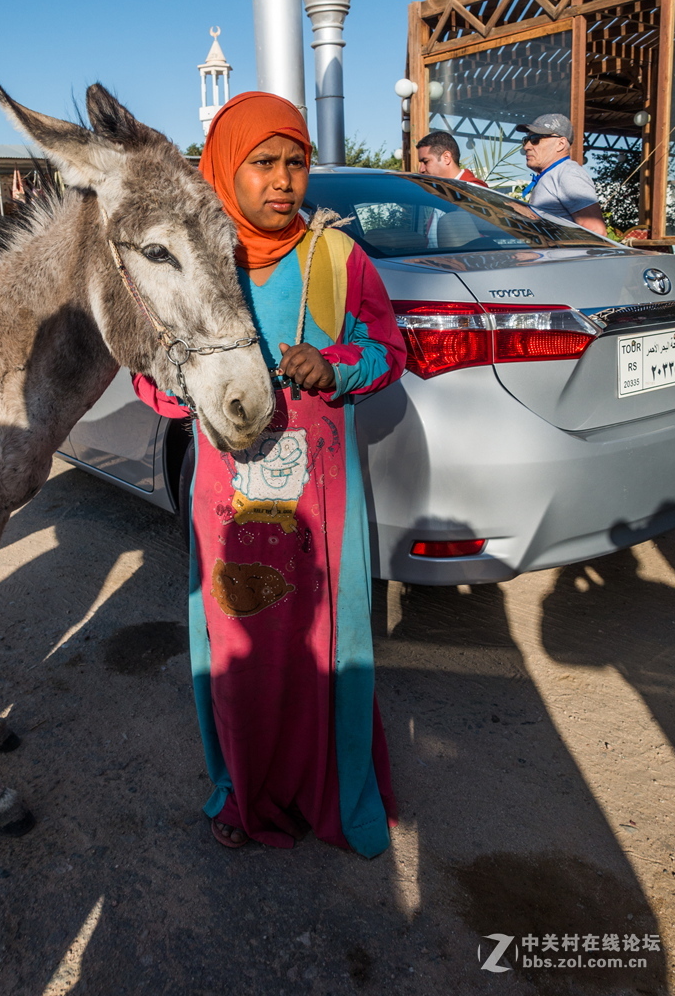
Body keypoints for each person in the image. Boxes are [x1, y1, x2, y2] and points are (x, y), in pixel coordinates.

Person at [133, 91, 405, 856]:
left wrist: (336, 365)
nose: (284, 181)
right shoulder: (193, 262)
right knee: (240, 653)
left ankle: (336, 795)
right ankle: (240, 794)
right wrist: (184, 389)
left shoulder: (341, 260)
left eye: (296, 163)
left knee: (328, 646)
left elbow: (390, 351)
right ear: (226, 168)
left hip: (324, 504)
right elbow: (149, 372)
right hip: (229, 505)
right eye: (264, 164)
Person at [516, 113, 607, 235]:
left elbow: (596, 231)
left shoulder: (568, 174)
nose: (527, 147)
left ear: (560, 144)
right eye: (526, 140)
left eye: (535, 140)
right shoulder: (552, 174)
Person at [415, 131, 488, 186]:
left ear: (446, 158)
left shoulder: (473, 192)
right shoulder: (441, 191)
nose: (421, 170)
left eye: (426, 162)